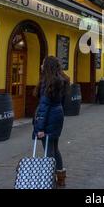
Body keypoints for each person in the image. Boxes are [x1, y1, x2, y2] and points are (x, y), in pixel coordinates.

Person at [33, 56, 69, 187]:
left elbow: (43, 107)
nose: (41, 66)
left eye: (43, 64)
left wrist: (40, 128)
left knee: (48, 150)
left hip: (48, 119)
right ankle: (61, 177)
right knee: (55, 148)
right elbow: (63, 102)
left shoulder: (47, 83)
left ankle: (50, 180)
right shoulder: (62, 80)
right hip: (57, 116)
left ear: (47, 66)